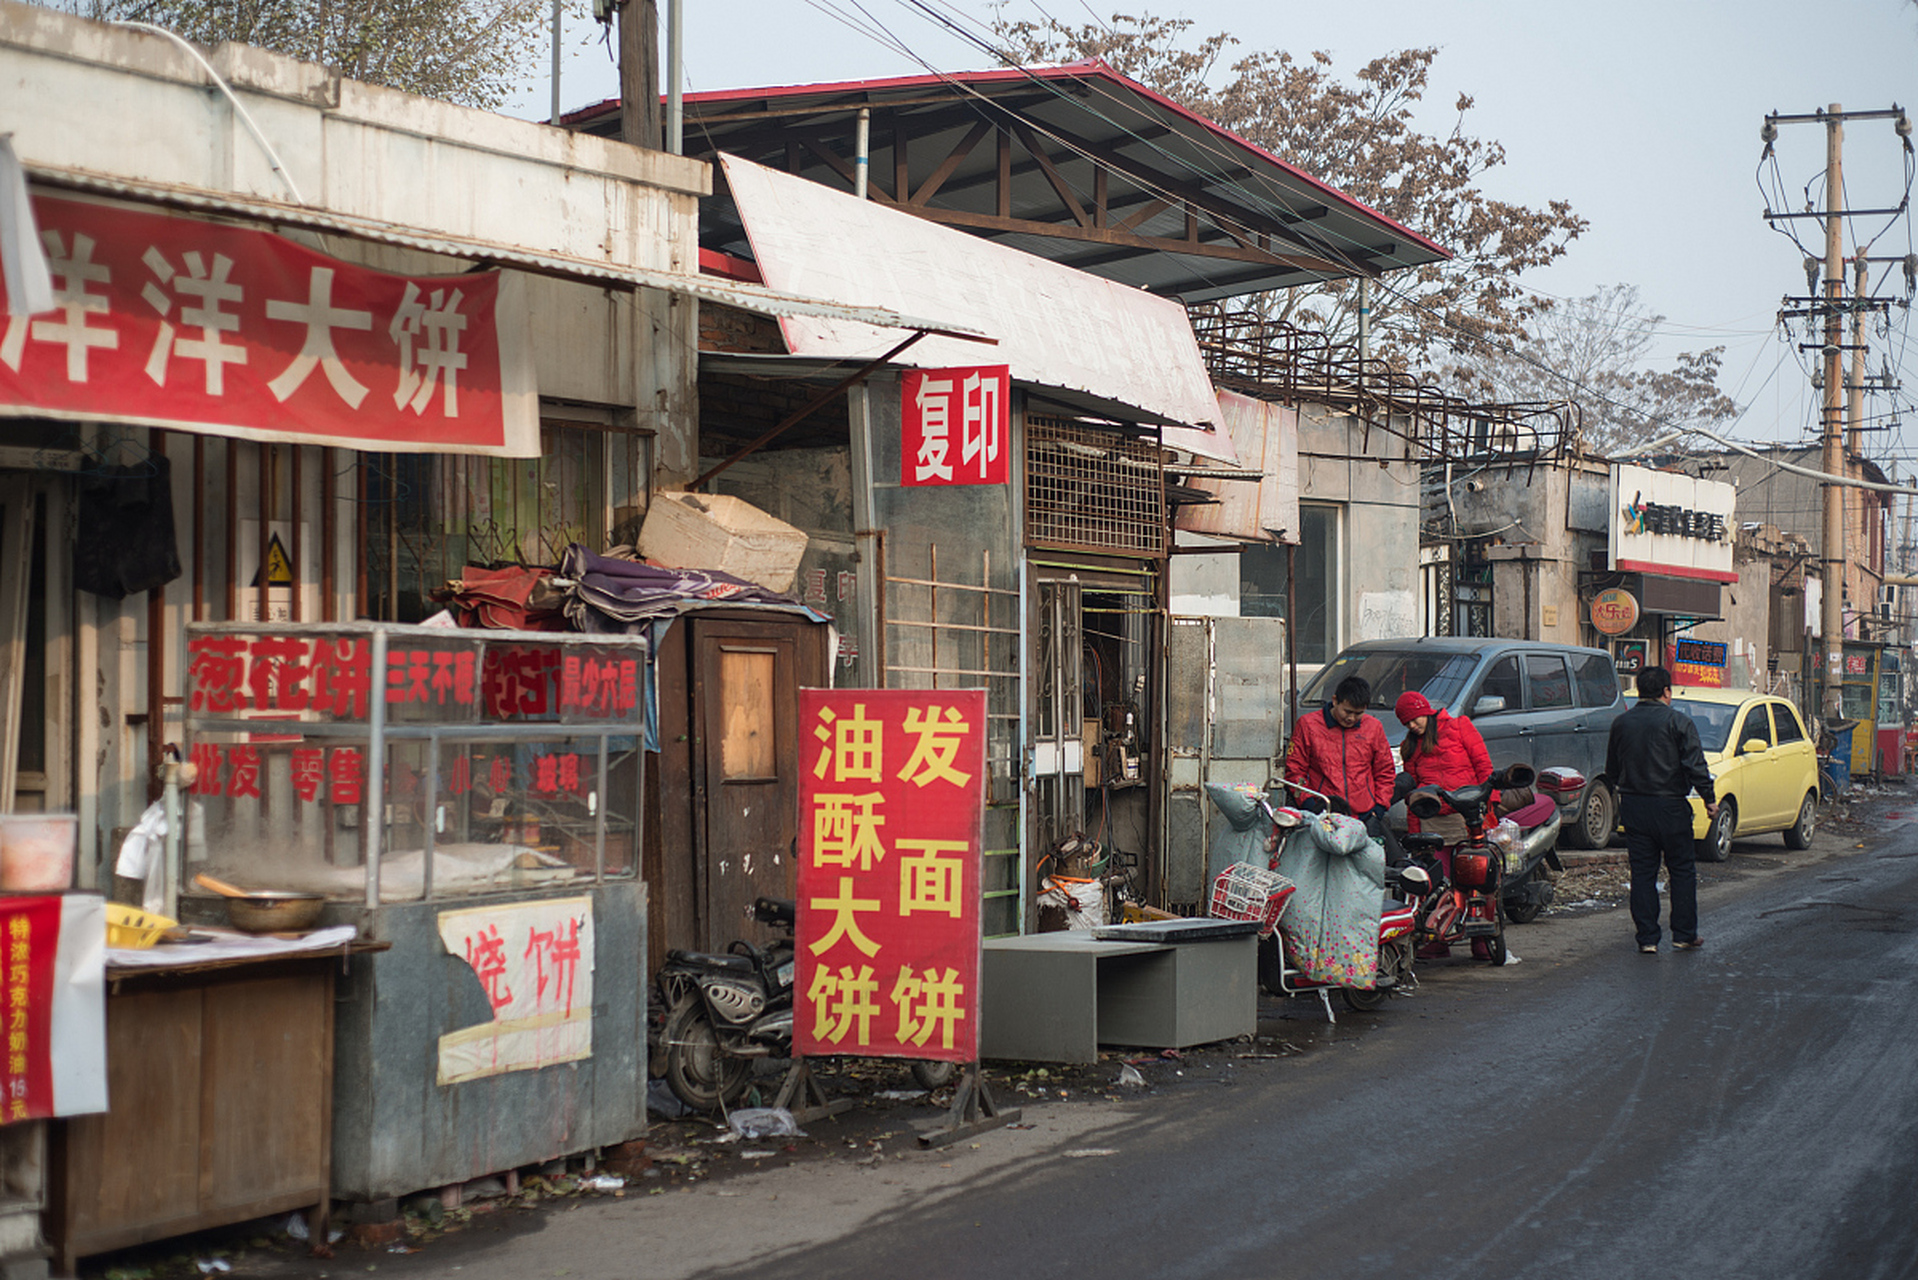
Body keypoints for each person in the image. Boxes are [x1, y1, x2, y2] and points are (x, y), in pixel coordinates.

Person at [1605, 665, 1717, 954]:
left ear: (1641, 691)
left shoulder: (1621, 723)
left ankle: (1647, 938)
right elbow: (1695, 765)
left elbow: (1611, 770)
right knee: (1681, 870)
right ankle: (1683, 934)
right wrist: (1709, 798)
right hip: (1670, 807)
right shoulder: (1679, 722)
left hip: (1634, 806)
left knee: (1643, 872)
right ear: (1667, 692)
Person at [1283, 675, 1397, 837]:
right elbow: (1295, 770)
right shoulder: (1308, 725)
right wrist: (1308, 804)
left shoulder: (1373, 727)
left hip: (1364, 815)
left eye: (1358, 713)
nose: (1351, 718)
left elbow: (1385, 771)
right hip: (1322, 813)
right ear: (1335, 700)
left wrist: (1378, 808)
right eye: (1347, 711)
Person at [1393, 690, 1493, 847]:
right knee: (1440, 870)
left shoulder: (1460, 726)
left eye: (1414, 719)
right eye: (1406, 723)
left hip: (1465, 815)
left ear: (1425, 711)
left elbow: (1483, 765)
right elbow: (1412, 795)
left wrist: (1491, 803)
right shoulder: (1409, 746)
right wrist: (1414, 832)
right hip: (1431, 820)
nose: (1412, 726)